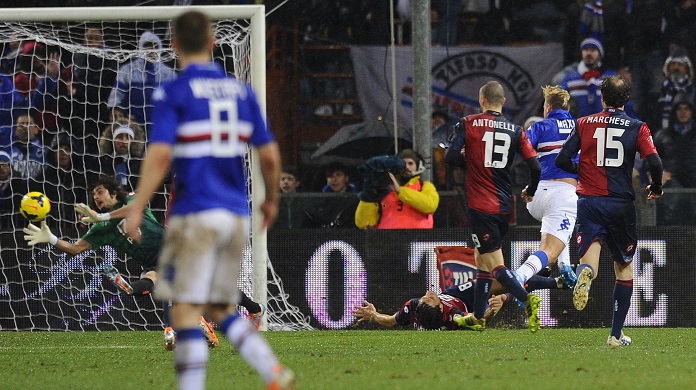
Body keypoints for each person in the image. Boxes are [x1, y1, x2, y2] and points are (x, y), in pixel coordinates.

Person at [123, 11, 294, 389]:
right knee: (218, 307)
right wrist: (270, 199)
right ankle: (273, 371)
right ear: (214, 43)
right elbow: (268, 154)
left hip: (194, 212)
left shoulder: (175, 91)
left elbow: (161, 154)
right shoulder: (241, 90)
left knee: (183, 309)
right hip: (235, 214)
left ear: (174, 45)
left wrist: (137, 206)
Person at [555, 75, 664, 347]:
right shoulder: (637, 127)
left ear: (602, 97)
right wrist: (656, 186)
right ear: (627, 99)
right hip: (620, 204)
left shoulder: (583, 124)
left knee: (590, 259)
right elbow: (654, 161)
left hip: (590, 202)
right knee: (623, 267)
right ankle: (615, 334)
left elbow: (562, 159)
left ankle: (585, 274)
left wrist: (585, 171)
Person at [444, 80, 542, 332]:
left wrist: (471, 163)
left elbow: (450, 157)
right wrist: (530, 190)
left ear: (482, 100)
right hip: (503, 205)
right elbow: (535, 166)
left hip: (480, 205)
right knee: (482, 261)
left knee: (496, 265)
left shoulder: (468, 123)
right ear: (503, 102)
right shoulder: (516, 130)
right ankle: (477, 317)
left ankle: (526, 300)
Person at [515, 86, 578, 288]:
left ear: (548, 107)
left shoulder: (540, 127)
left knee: (558, 229)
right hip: (564, 195)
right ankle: (519, 277)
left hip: (536, 196)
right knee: (548, 251)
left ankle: (564, 265)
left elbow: (522, 148)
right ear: (567, 107)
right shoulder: (581, 127)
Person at [106, 30, 177, 130]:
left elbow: (177, 99)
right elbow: (116, 95)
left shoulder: (168, 73)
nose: (151, 51)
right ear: (140, 47)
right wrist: (116, 109)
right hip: (133, 126)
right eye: (147, 46)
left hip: (161, 125)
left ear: (160, 48)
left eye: (155, 47)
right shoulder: (127, 70)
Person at [354, 150, 439, 229]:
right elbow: (363, 223)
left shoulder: (424, 186)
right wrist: (369, 193)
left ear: (417, 166)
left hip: (419, 241)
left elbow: (430, 205)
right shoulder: (382, 189)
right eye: (403, 164)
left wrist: (400, 191)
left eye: (410, 163)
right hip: (388, 241)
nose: (407, 167)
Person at [560, 38, 620, 117]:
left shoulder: (611, 78)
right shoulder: (570, 78)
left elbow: (623, 103)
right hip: (578, 125)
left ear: (600, 54)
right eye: (585, 50)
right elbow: (559, 103)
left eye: (593, 50)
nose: (588, 53)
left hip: (604, 124)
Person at [96, 120, 145, 193]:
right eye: (120, 137)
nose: (124, 141)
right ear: (112, 140)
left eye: (128, 137)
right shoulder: (101, 161)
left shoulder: (139, 164)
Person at [658, 46, 695, 131]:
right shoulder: (659, 92)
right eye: (673, 64)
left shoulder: (693, 91)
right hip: (662, 138)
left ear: (687, 68)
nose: (676, 67)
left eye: (680, 64)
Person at [4, 111, 47, 179]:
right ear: (16, 131)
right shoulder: (8, 153)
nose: (25, 127)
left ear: (36, 130)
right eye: (21, 125)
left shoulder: (46, 152)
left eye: (29, 124)